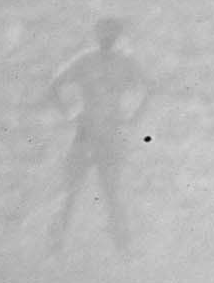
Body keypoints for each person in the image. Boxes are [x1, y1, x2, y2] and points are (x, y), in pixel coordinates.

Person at [46, 14, 152, 253]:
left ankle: (122, 247)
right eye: (103, 32)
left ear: (118, 35)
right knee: (70, 192)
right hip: (85, 132)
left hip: (111, 132)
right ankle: (55, 244)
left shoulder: (126, 62)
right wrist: (68, 114)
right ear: (96, 34)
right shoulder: (85, 59)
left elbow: (149, 87)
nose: (107, 37)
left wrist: (135, 116)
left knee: (112, 192)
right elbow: (53, 85)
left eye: (112, 32)